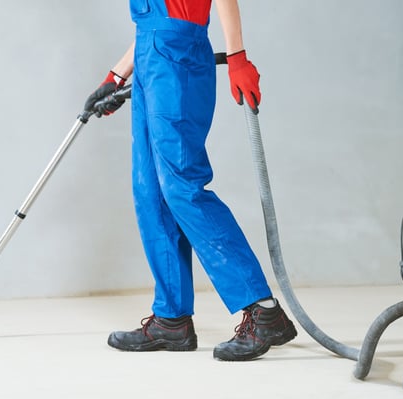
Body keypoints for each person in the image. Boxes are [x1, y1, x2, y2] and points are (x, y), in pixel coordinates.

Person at [83, 0, 297, 361]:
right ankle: (172, 319)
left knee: (182, 187)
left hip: (176, 59)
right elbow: (153, 23)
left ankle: (264, 311)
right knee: (150, 191)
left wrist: (238, 56)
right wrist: (116, 76)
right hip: (151, 55)